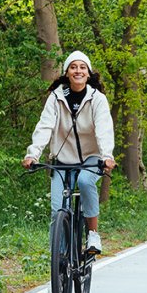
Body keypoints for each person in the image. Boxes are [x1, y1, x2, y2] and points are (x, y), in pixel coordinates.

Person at [22, 51, 116, 254]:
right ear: (67, 72)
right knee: (57, 213)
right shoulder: (55, 98)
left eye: (82, 67)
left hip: (92, 157)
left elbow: (104, 129)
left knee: (84, 182)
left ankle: (92, 234)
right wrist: (33, 154)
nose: (78, 71)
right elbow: (44, 126)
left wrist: (107, 155)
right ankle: (58, 269)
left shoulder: (97, 99)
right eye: (73, 67)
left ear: (88, 73)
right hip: (62, 160)